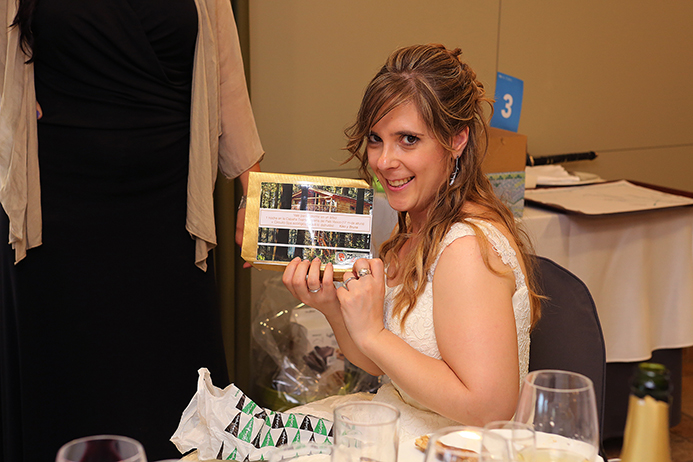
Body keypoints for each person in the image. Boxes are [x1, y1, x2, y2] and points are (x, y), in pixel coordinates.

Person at [0, 1, 263, 461]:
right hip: (57, 211)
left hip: (172, 211)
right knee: (66, 388)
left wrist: (252, 193)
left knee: (171, 391)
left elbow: (225, 73)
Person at [282, 43, 542, 441]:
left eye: (407, 139)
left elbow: (489, 409)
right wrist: (332, 306)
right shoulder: (415, 224)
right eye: (375, 139)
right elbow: (382, 364)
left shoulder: (466, 248)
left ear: (456, 140)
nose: (384, 161)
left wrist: (374, 335)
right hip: (400, 425)